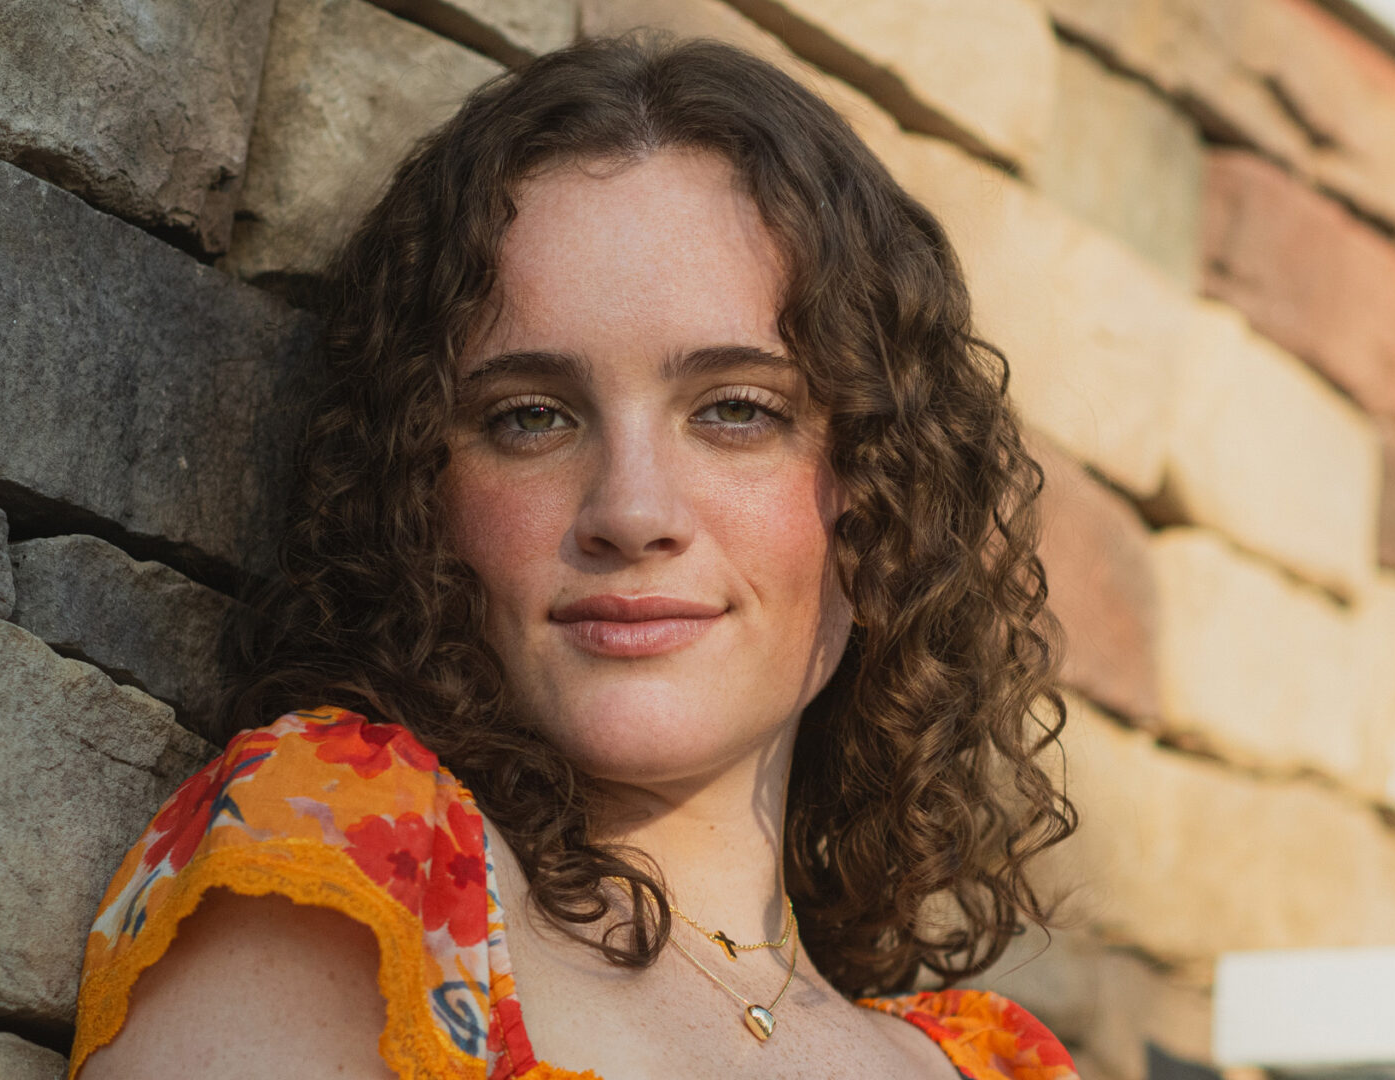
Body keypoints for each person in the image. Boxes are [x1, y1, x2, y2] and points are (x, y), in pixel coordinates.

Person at [69, 32, 1078, 1080]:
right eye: (531, 418)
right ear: (420, 499)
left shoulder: (994, 1066)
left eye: (737, 410)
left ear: (883, 500)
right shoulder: (347, 874)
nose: (631, 511)